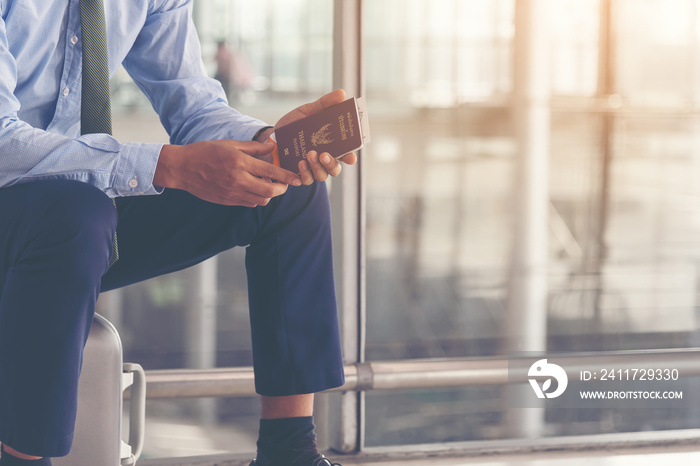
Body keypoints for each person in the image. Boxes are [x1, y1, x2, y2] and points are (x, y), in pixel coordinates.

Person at [0, 1, 354, 465]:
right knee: (78, 214)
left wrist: (269, 146)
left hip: (72, 219)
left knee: (283, 191)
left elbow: (195, 107)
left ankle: (289, 454)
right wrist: (168, 166)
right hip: (42, 213)